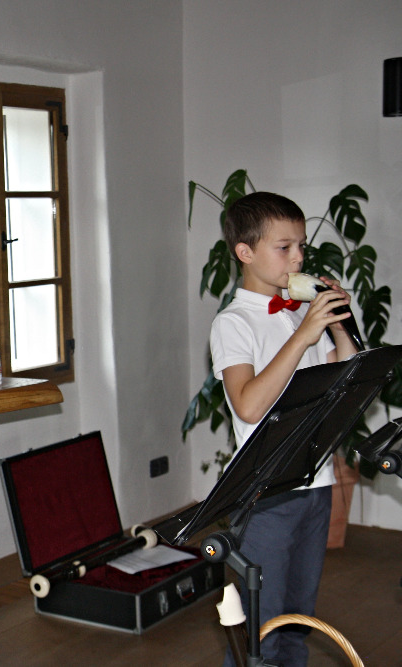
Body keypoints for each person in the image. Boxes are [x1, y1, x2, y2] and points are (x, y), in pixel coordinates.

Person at [209, 192, 359, 667]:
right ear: (245, 252)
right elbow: (249, 405)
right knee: (261, 626)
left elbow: (344, 373)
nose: (298, 258)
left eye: (301, 247)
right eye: (284, 247)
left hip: (315, 482)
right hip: (267, 494)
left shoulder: (296, 312)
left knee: (297, 620)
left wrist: (337, 322)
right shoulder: (234, 322)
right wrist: (302, 335)